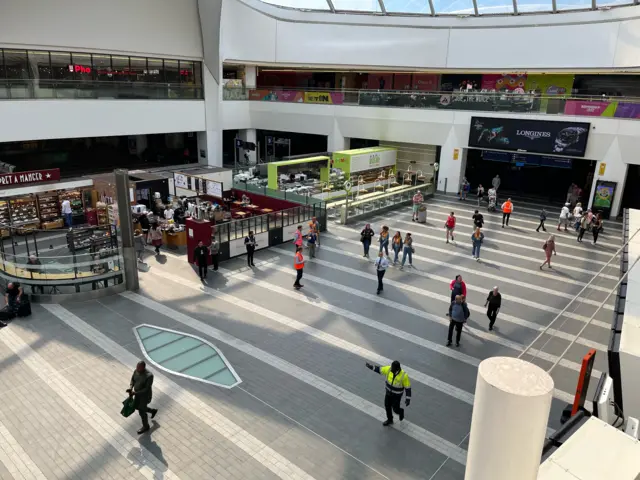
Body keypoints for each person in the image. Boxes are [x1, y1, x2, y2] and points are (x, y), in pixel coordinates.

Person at [365, 360, 411, 426]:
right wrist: (371, 367)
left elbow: (408, 388)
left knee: (395, 409)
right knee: (387, 406)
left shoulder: (404, 376)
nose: (391, 369)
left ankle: (400, 411)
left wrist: (408, 399)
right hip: (388, 393)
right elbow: (380, 370)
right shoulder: (389, 369)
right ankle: (390, 420)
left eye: (393, 368)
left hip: (396, 396)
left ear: (397, 369)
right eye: (391, 367)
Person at [127, 361, 158, 434]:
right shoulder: (136, 371)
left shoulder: (149, 376)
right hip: (137, 394)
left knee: (141, 411)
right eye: (137, 367)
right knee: (137, 407)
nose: (137, 369)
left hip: (145, 396)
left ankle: (146, 426)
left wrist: (135, 393)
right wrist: (131, 388)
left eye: (139, 368)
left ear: (143, 368)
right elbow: (133, 380)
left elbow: (146, 389)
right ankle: (152, 411)